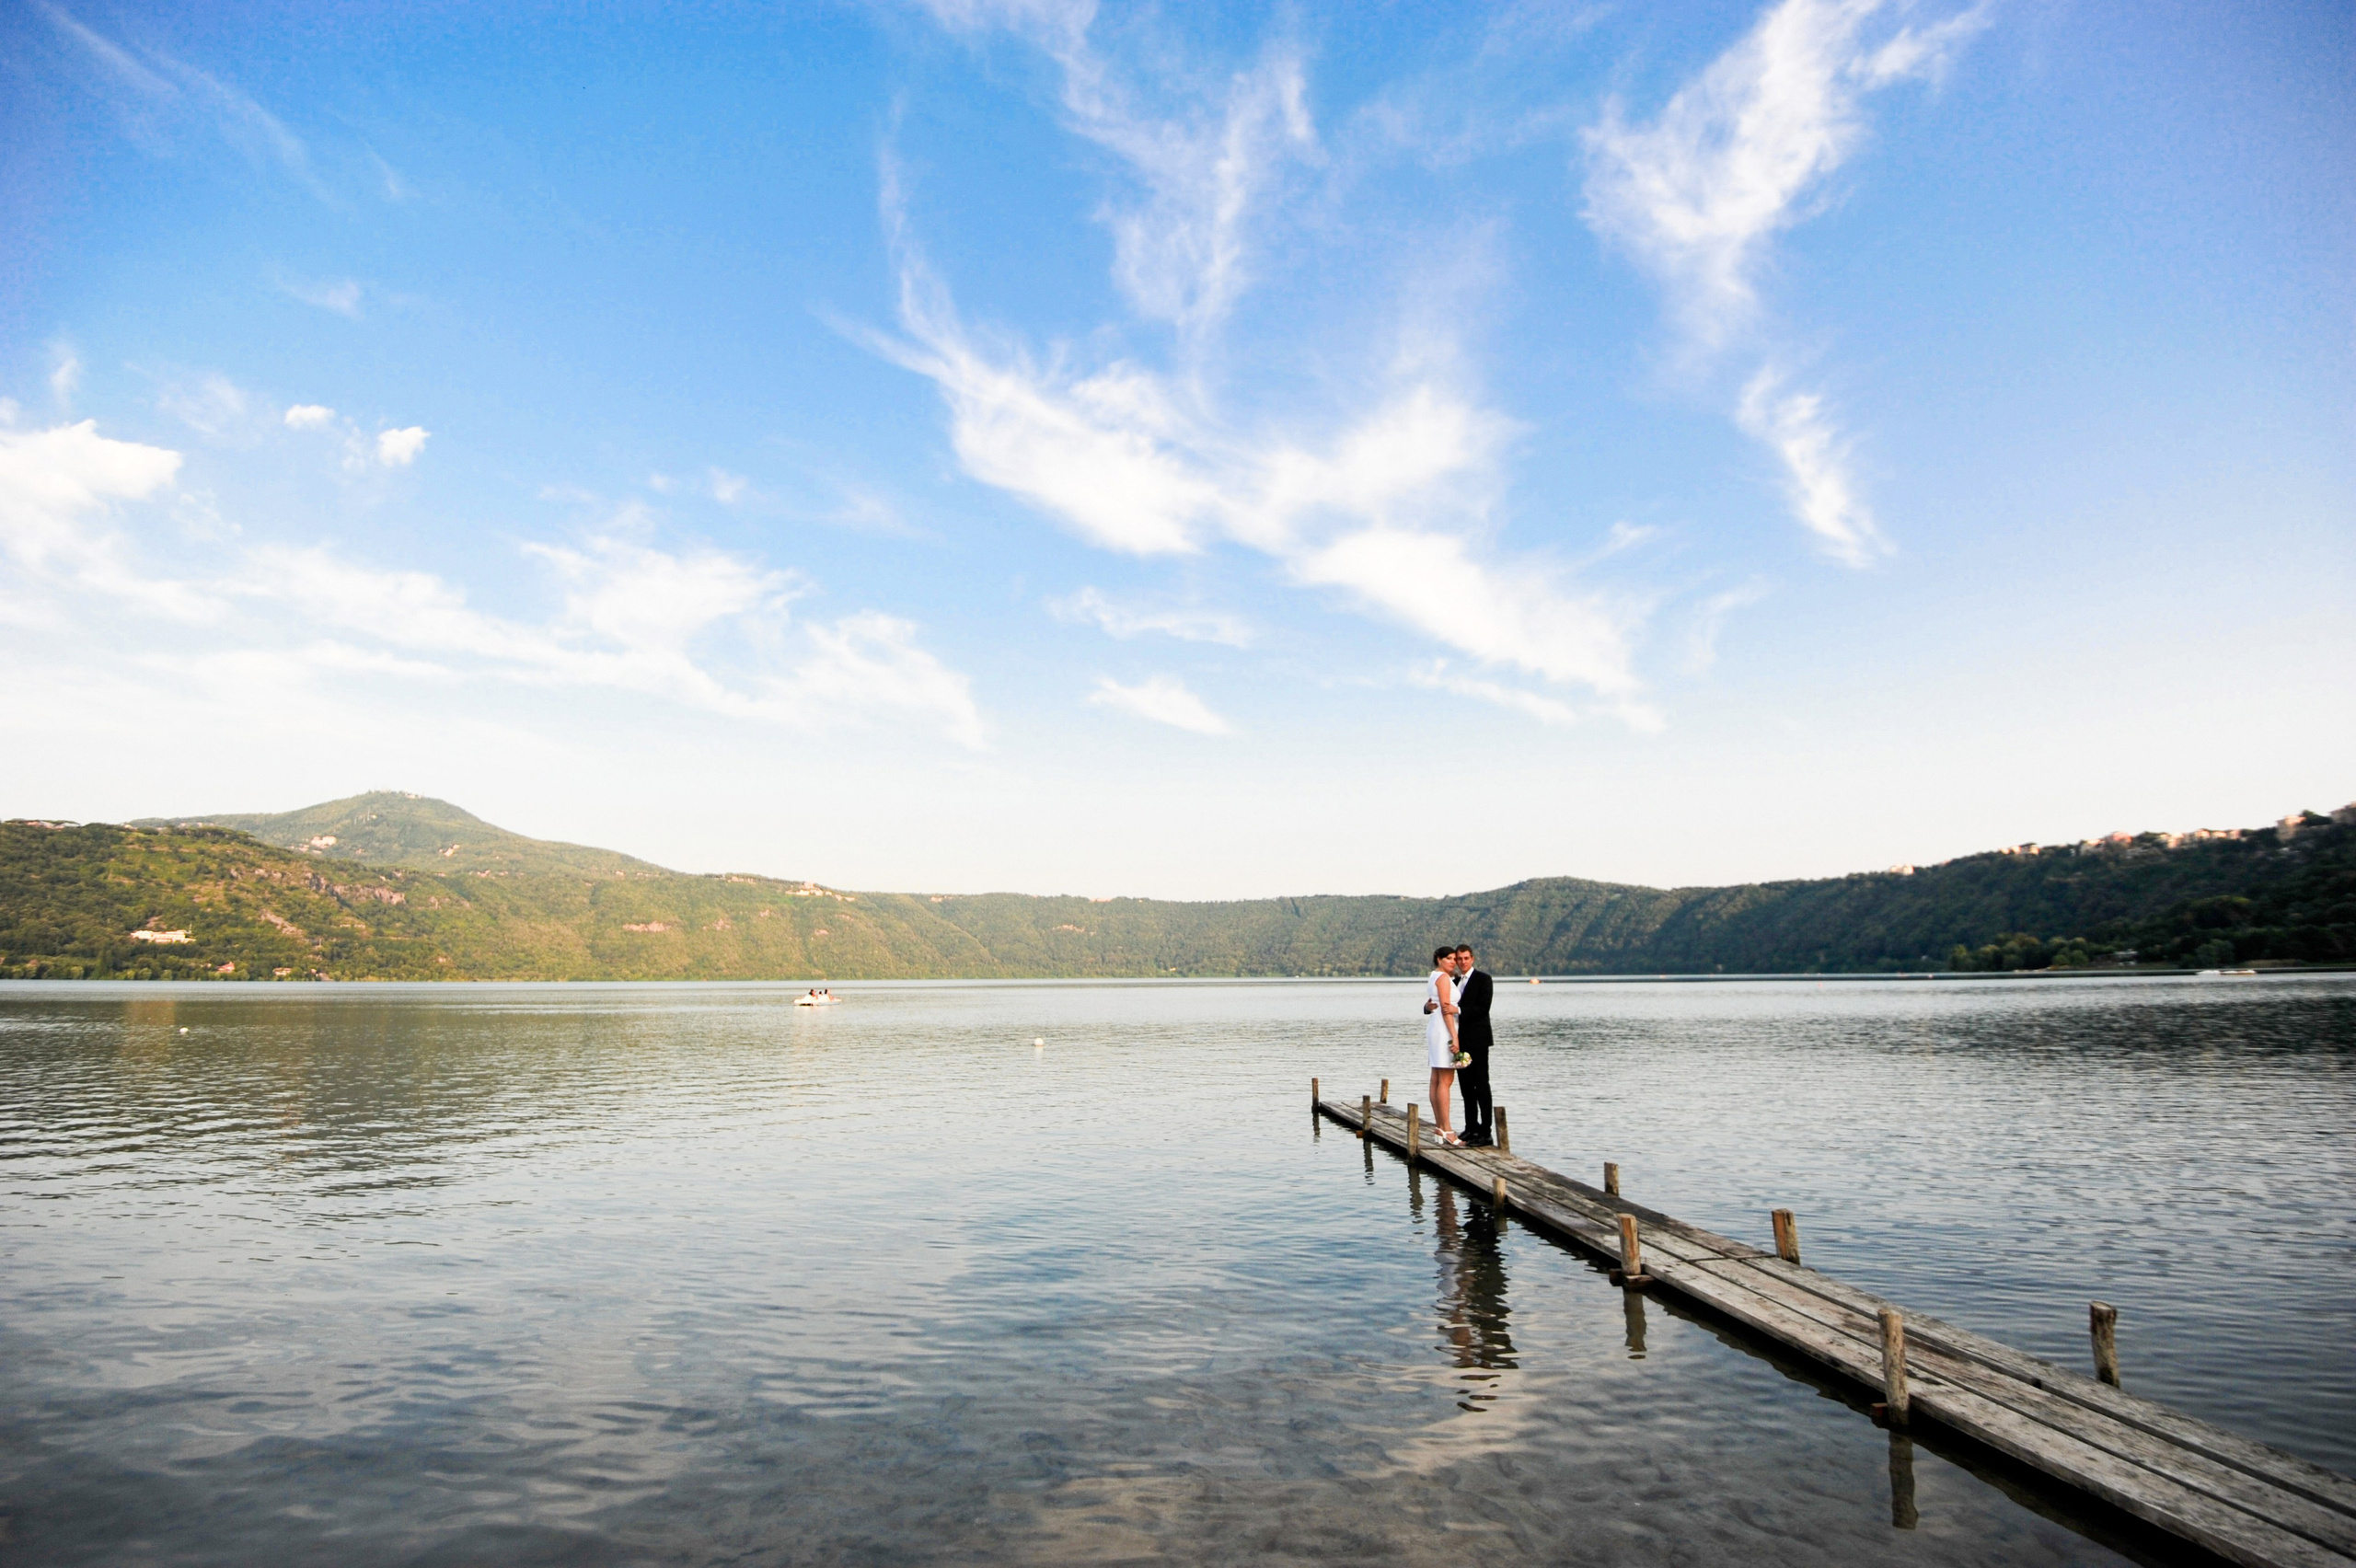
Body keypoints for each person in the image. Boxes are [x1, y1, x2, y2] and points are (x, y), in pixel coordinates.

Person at [1452, 944, 1496, 1147]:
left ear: (1473, 959)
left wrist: (1458, 1010)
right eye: (1459, 959)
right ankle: (1471, 1127)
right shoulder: (1453, 982)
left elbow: (1482, 1008)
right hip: (1459, 1044)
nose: (1462, 962)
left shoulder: (1483, 979)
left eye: (1466, 958)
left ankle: (1485, 1133)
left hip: (1478, 1041)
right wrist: (1428, 1007)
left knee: (1481, 1086)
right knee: (1465, 1087)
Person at [1423, 945, 1464, 1147]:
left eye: (1454, 959)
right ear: (1439, 959)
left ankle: (1440, 1126)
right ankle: (1447, 1129)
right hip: (1443, 1030)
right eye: (1448, 958)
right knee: (1445, 1081)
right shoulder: (1443, 979)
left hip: (1435, 1028)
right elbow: (1447, 1009)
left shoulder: (1433, 977)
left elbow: (1434, 1003)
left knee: (1436, 1079)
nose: (1453, 962)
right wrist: (1454, 1037)